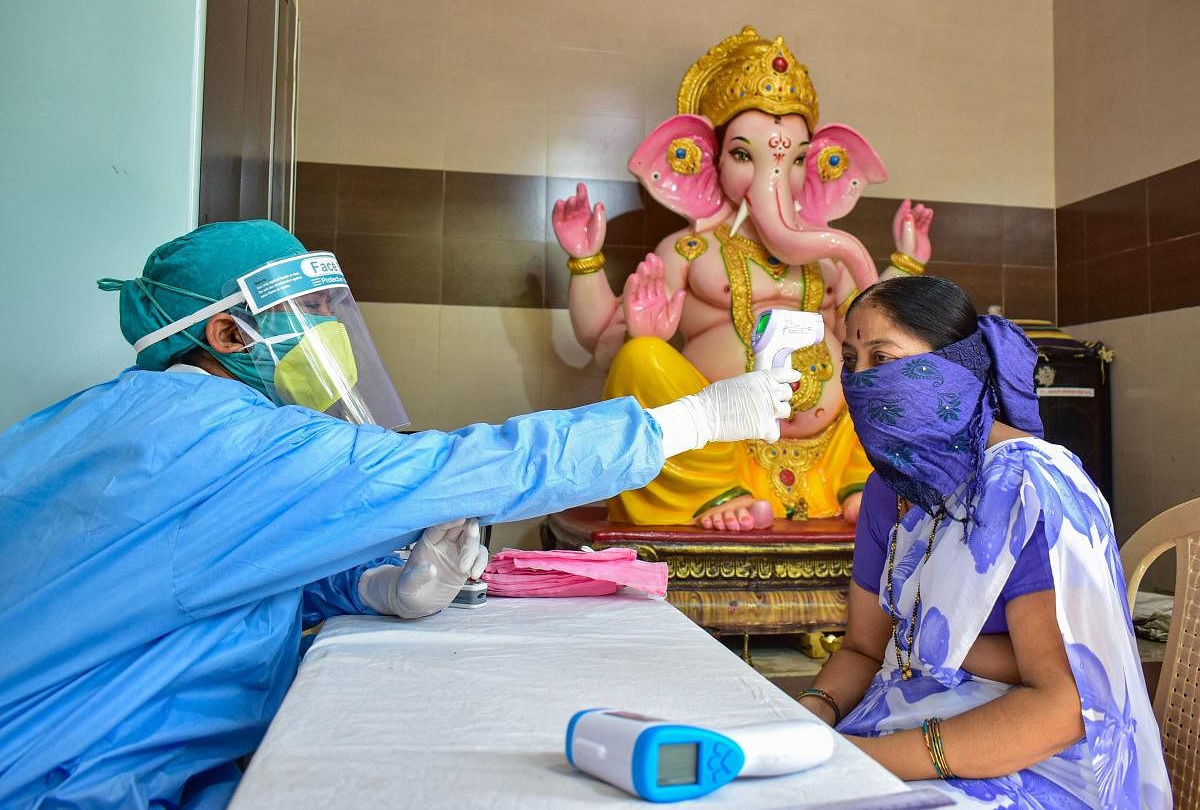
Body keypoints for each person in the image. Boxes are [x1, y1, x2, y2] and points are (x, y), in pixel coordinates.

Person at [0, 220, 800, 808]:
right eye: (301, 313)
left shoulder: (118, 418)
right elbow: (457, 466)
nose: (324, 333)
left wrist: (369, 585)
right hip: (67, 778)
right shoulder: (224, 437)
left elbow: (185, 584)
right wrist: (689, 420)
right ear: (224, 330)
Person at [795, 276, 1169, 809]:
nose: (860, 382)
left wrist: (862, 760)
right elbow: (863, 647)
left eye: (883, 358)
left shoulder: (1028, 487)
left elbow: (1064, 709)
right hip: (905, 724)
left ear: (954, 367)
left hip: (1042, 763)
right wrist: (815, 708)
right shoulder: (889, 490)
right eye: (851, 362)